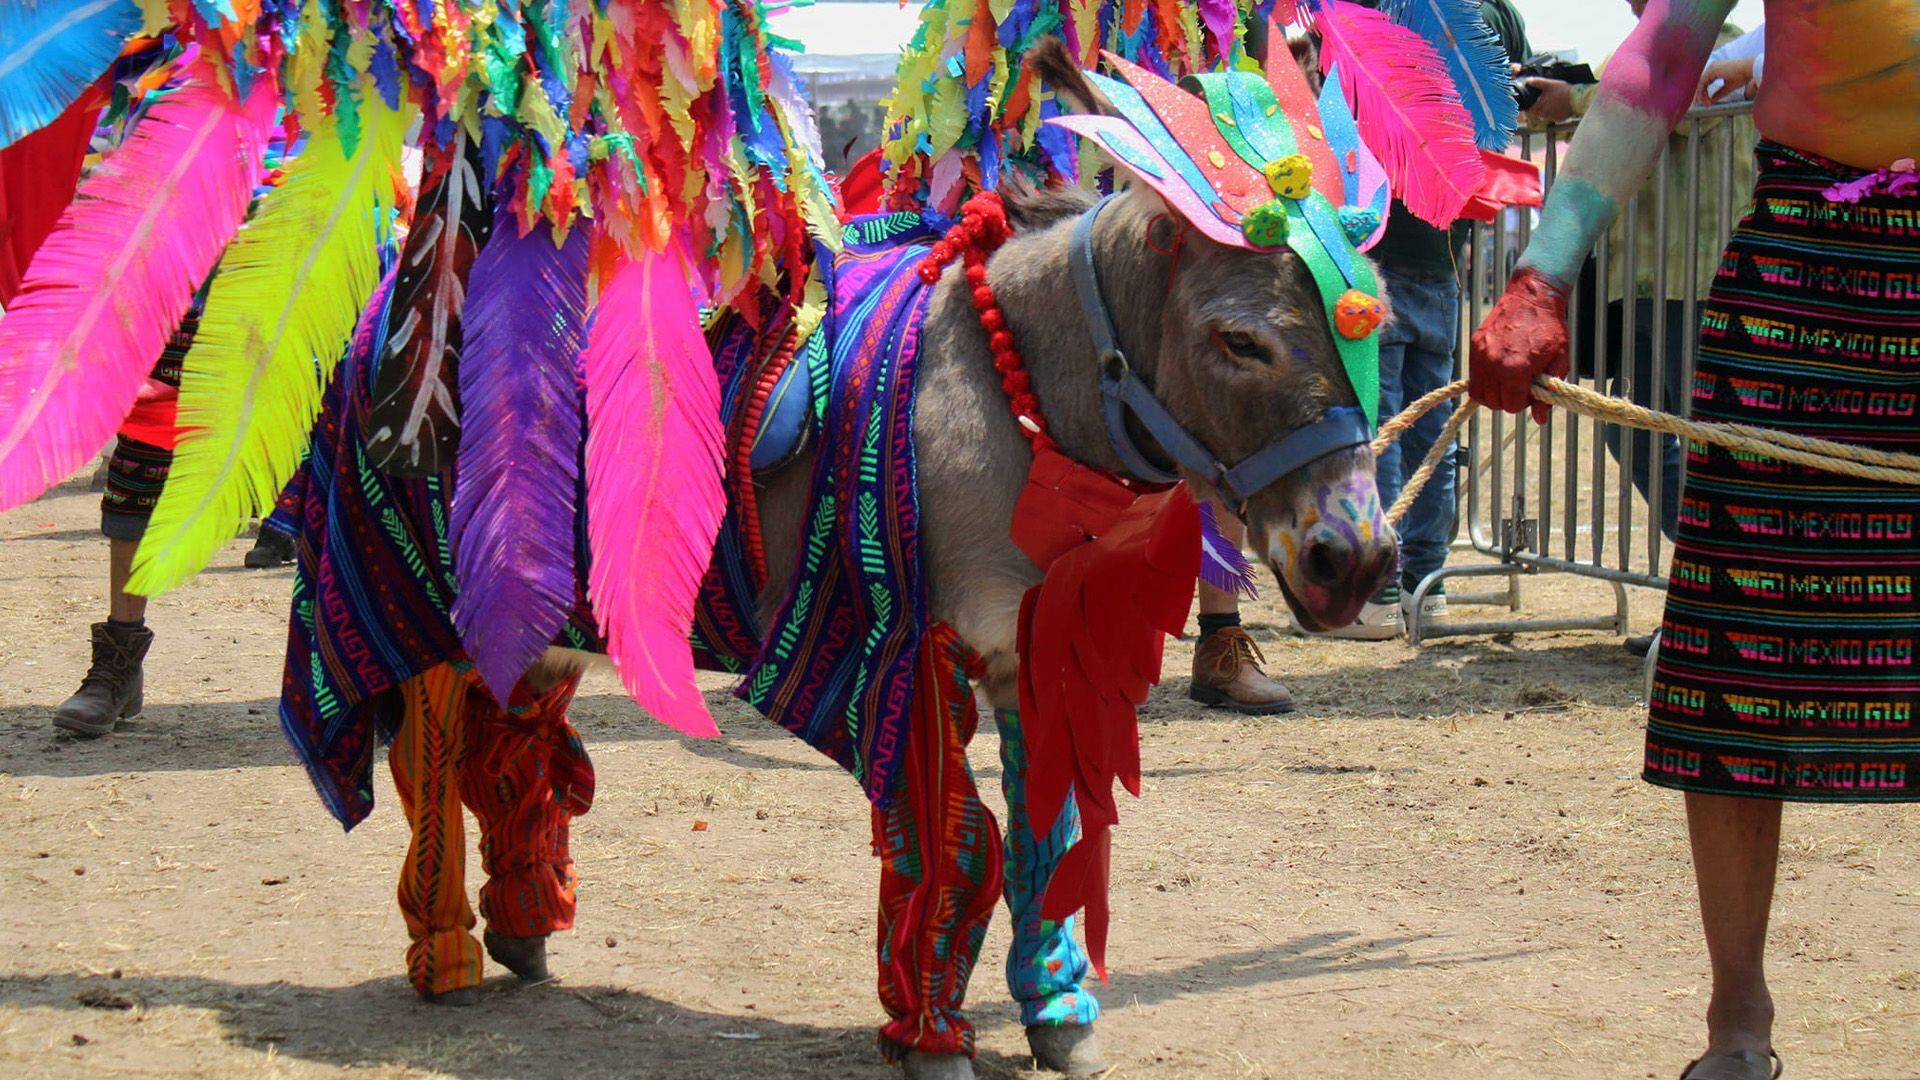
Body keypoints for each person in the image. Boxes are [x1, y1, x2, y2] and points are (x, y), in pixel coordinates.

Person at [1470, 2, 1920, 1077]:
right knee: (1736, 650)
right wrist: (1544, 272)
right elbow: (1663, 54)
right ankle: (1737, 1023)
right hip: (1810, 280)